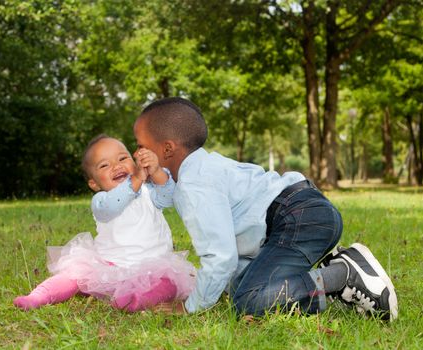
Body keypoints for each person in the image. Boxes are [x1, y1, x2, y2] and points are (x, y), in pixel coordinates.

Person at [133, 97, 398, 320]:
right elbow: (165, 196)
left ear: (167, 149)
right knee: (240, 287)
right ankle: (331, 281)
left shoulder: (195, 185)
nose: (137, 153)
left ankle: (343, 276)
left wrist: (191, 305)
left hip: (299, 219)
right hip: (306, 214)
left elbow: (220, 257)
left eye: (142, 146)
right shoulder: (202, 168)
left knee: (248, 300)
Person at [14, 135, 195, 312]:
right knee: (73, 276)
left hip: (153, 267)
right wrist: (137, 179)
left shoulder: (149, 191)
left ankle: (134, 300)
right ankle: (39, 296)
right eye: (104, 165)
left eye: (122, 158)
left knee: (168, 283)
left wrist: (156, 172)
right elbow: (113, 205)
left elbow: (169, 196)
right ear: (94, 184)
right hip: (108, 265)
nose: (116, 166)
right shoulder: (101, 200)